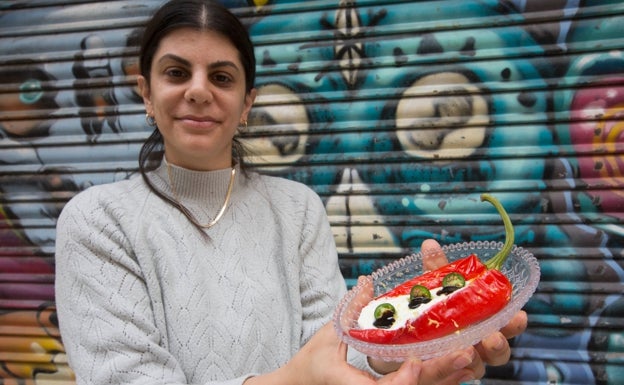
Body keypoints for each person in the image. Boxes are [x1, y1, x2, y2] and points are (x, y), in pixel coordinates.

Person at [54, 1, 527, 384]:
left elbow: (335, 354)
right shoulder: (98, 221)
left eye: (221, 77)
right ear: (145, 93)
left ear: (247, 103)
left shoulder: (296, 208)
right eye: (176, 73)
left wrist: (414, 338)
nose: (198, 91)